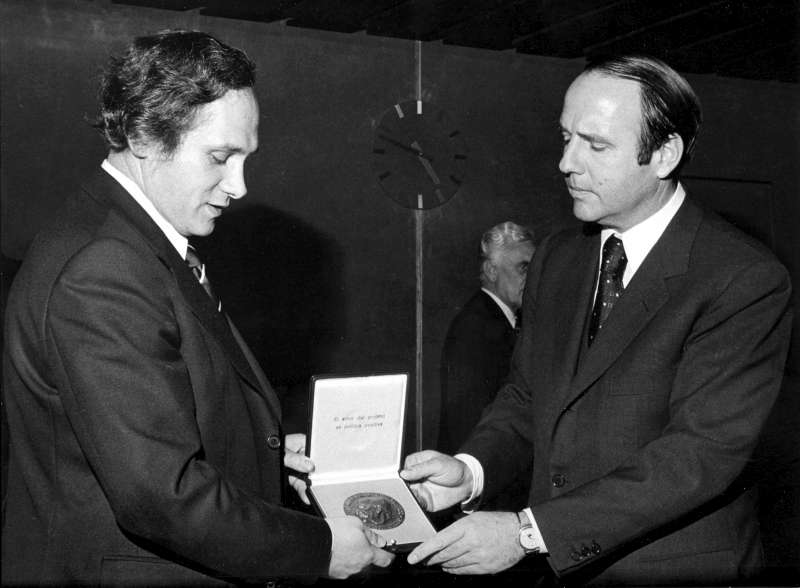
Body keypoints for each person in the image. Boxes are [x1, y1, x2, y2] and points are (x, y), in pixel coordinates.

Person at [1, 30, 392, 586]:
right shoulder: (103, 269)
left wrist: (260, 450)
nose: (238, 186)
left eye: (244, 159)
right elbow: (158, 496)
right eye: (220, 157)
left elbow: (146, 424)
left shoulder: (126, 242)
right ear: (142, 136)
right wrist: (321, 548)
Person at [400, 54, 792, 585]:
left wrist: (526, 532)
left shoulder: (740, 277)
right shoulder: (559, 259)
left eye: (596, 145)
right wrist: (471, 472)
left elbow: (699, 457)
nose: (566, 162)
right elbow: (525, 397)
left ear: (664, 154)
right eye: (566, 138)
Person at [438, 221, 534, 511]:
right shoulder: (477, 326)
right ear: (492, 272)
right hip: (486, 494)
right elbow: (469, 420)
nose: (532, 279)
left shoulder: (498, 320)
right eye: (523, 268)